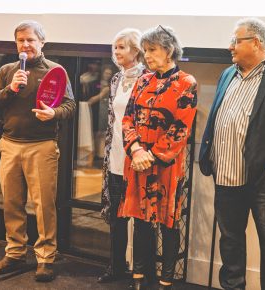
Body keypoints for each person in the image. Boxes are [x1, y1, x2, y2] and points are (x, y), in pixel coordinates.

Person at [199, 18, 265, 290]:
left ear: (256, 42)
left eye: (236, 40)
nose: (230, 46)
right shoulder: (227, 73)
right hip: (226, 176)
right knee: (230, 242)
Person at [0, 20, 75, 282]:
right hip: (10, 145)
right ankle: (14, 253)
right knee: (11, 203)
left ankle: (46, 258)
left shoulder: (56, 70)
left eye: (31, 40)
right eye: (21, 40)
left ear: (42, 42)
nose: (25, 45)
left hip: (42, 146)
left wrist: (53, 114)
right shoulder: (8, 70)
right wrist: (10, 89)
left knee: (44, 206)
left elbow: (70, 106)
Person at [118, 25, 197, 290]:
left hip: (166, 166)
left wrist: (151, 155)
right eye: (145, 51)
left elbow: (180, 128)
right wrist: (136, 150)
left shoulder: (186, 83)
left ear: (169, 50)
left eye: (152, 50)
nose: (147, 56)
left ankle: (166, 281)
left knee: (168, 223)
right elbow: (127, 119)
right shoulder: (143, 80)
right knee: (140, 223)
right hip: (138, 162)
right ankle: (140, 277)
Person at [97, 28, 145, 283]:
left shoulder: (148, 79)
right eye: (114, 47)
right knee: (116, 217)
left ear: (136, 51)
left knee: (139, 219)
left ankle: (139, 271)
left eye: (122, 47)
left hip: (137, 160)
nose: (116, 52)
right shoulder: (116, 79)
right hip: (115, 156)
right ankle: (115, 268)